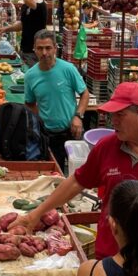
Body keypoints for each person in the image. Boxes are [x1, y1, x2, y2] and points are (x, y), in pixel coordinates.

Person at [21, 81, 138, 268]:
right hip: (108, 256)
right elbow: (77, 181)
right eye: (112, 115)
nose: (113, 121)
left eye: (120, 115)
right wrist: (37, 213)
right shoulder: (106, 147)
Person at [24, 29, 89, 172]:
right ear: (34, 49)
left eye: (48, 48)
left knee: (79, 172)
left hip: (72, 131)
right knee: (55, 173)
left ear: (55, 48)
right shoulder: (30, 76)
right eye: (40, 48)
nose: (44, 53)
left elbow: (84, 93)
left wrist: (78, 116)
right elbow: (29, 103)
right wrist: (39, 123)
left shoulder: (68, 69)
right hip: (48, 135)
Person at [0, 0, 48, 67]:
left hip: (35, 52)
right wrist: (6, 29)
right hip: (25, 49)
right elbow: (23, 24)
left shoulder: (41, 5)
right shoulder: (26, 6)